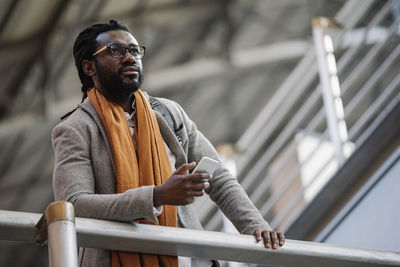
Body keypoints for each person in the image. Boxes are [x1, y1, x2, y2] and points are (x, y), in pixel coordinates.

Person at [52, 19, 285, 267]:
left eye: (134, 50)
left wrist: (257, 228)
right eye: (116, 51)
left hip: (189, 258)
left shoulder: (169, 113)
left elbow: (219, 178)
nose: (130, 58)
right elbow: (74, 204)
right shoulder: (74, 129)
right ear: (90, 68)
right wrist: (158, 196)